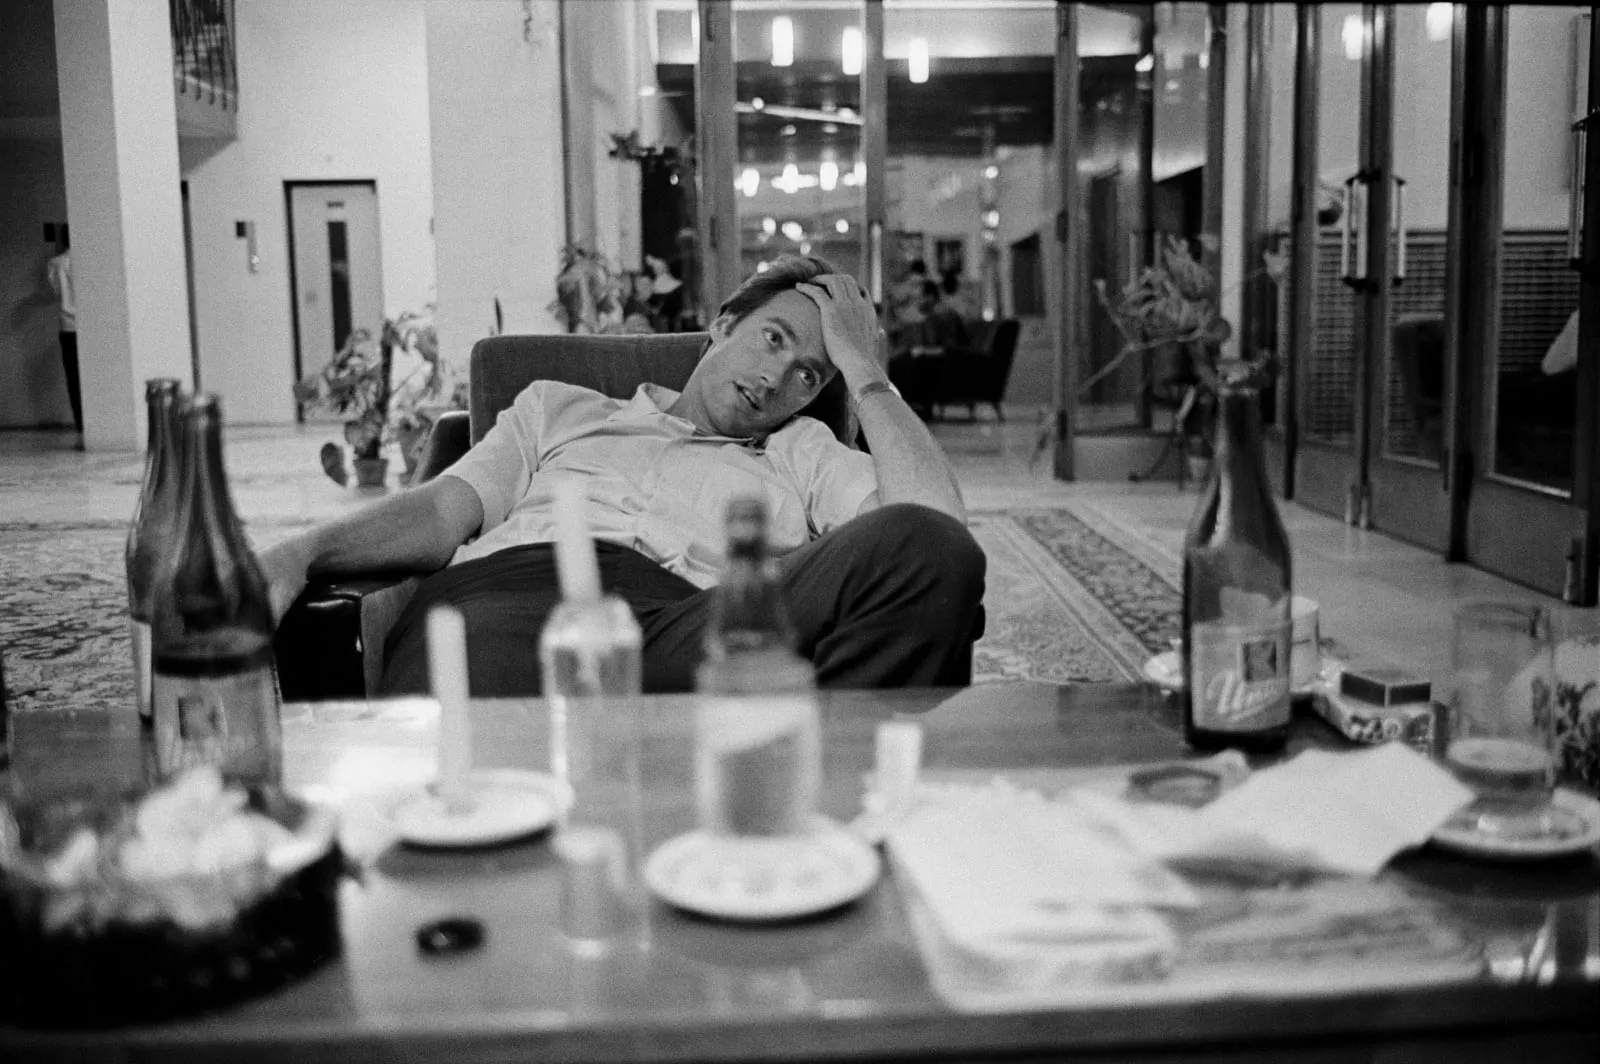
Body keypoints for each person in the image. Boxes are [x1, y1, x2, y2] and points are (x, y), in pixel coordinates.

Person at [259, 254, 984, 696]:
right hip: (518, 602)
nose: (776, 377)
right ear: (724, 323)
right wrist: (301, 552)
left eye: (807, 373)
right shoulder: (557, 407)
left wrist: (861, 366)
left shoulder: (802, 448)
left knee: (930, 552)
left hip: (695, 626)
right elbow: (442, 512)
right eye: (772, 338)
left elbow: (938, 527)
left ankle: (813, 803)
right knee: (482, 684)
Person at [46, 229, 82, 447]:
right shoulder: (87, 261)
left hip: (67, 324)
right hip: (89, 325)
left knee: (73, 376)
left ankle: (80, 421)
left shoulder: (55, 263)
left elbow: (54, 292)